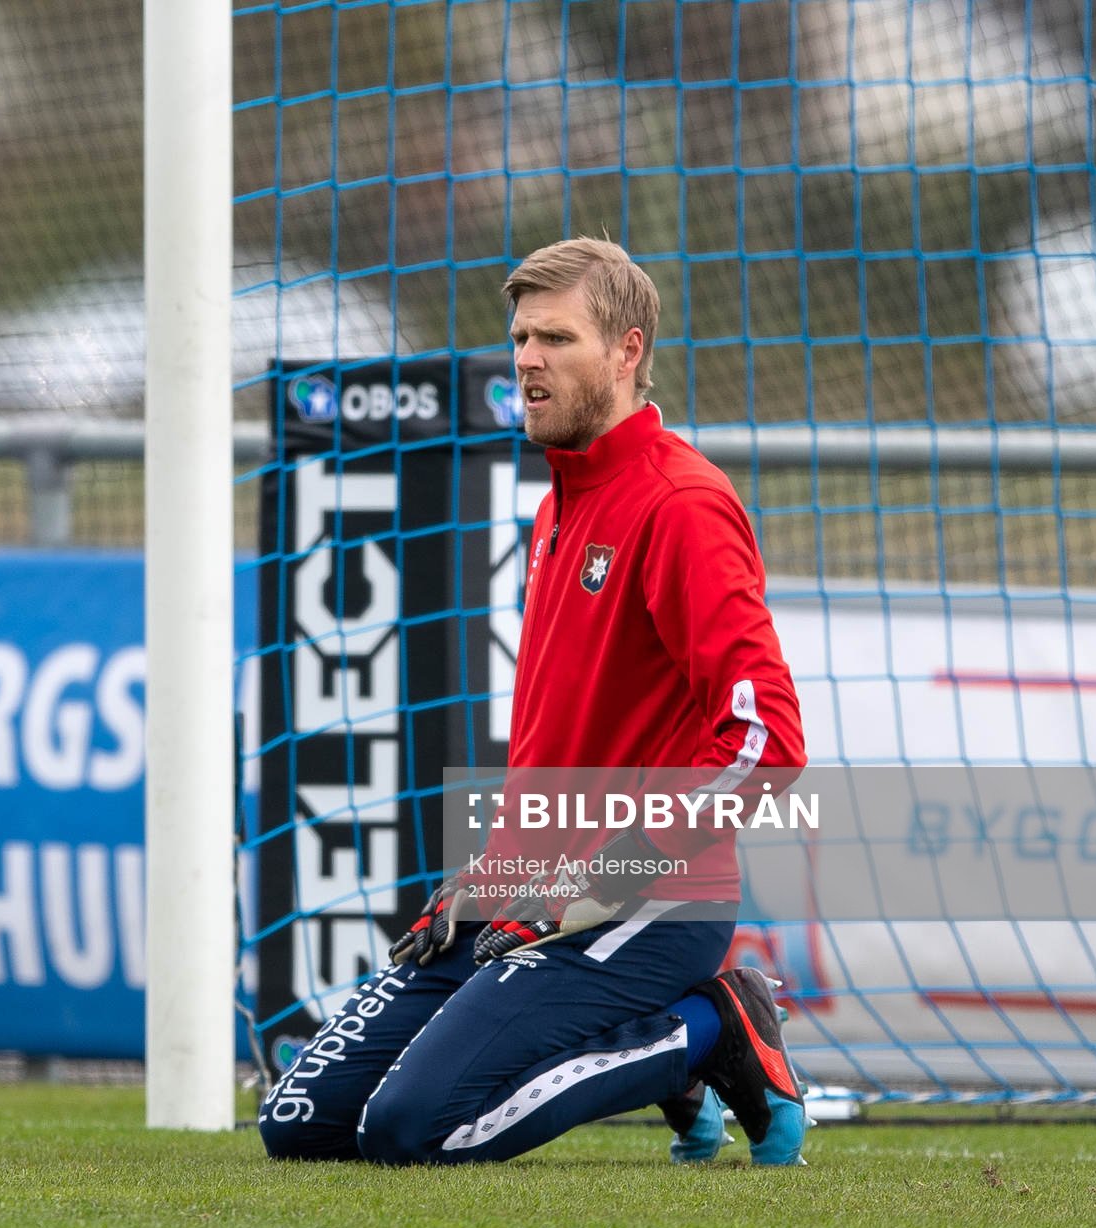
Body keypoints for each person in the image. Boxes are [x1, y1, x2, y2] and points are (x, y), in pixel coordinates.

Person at [258, 237, 811, 1167]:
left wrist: (614, 868)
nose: (526, 360)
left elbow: (768, 739)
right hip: (525, 893)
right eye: (520, 338)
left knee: (411, 1132)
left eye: (555, 337)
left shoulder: (681, 504)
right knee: (301, 1123)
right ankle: (668, 1058)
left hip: (649, 903)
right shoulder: (561, 498)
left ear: (627, 351)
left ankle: (710, 1032)